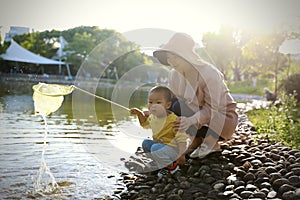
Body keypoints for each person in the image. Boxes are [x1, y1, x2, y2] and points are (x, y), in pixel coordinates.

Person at [153, 32, 238, 159]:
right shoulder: (174, 74)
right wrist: (153, 110)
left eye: (175, 57)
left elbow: (212, 108)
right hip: (194, 113)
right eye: (169, 58)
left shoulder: (210, 73)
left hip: (221, 117)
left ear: (187, 55)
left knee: (180, 107)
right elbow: (170, 100)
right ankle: (194, 140)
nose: (172, 62)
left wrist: (190, 120)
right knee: (174, 105)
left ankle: (211, 142)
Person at [130, 85, 187, 177]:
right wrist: (139, 114)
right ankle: (160, 162)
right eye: (150, 102)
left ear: (168, 105)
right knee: (146, 143)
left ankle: (172, 167)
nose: (153, 106)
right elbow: (145, 125)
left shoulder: (173, 120)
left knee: (155, 148)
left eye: (158, 102)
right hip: (161, 147)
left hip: (173, 150)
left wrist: (181, 155)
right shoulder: (153, 117)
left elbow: (182, 139)